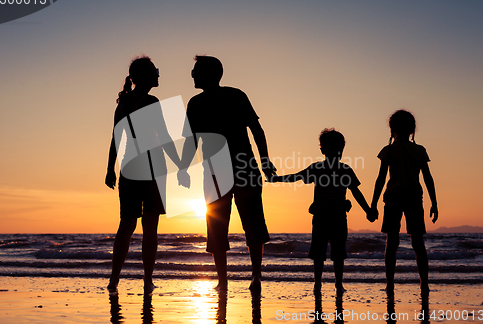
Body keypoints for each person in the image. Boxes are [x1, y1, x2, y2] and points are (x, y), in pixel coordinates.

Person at [178, 55, 276, 292]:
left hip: (239, 167)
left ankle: (251, 277)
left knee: (249, 223)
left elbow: (255, 128)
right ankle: (228, 280)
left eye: (195, 71)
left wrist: (265, 161)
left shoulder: (234, 96)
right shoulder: (197, 103)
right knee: (221, 226)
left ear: (209, 73)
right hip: (222, 170)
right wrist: (183, 168)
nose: (191, 74)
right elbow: (191, 141)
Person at [105, 56, 181, 295]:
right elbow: (164, 137)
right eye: (154, 71)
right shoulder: (151, 101)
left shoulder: (124, 102)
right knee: (150, 227)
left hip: (129, 166)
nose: (158, 74)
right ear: (144, 77)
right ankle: (147, 281)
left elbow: (116, 139)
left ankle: (114, 281)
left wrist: (110, 169)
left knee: (126, 225)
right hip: (153, 167)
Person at [268, 128, 375, 294]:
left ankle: (319, 285)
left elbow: (296, 176)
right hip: (335, 216)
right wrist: (367, 210)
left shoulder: (318, 168)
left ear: (322, 150)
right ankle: (336, 285)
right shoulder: (344, 169)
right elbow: (356, 192)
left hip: (323, 216)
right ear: (341, 150)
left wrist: (277, 179)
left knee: (320, 253)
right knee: (337, 253)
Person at [371, 109, 438, 296]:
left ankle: (390, 284)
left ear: (392, 129)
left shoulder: (389, 150)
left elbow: (380, 179)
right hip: (413, 196)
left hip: (393, 196)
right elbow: (428, 179)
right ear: (412, 130)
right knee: (417, 241)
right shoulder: (419, 150)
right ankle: (424, 284)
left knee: (391, 242)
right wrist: (434, 202)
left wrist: (373, 203)